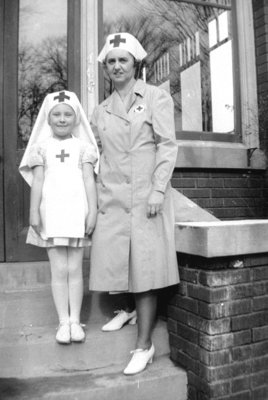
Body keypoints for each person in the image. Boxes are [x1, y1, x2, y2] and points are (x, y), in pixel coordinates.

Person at [89, 32, 180, 375]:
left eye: (122, 60)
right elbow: (98, 157)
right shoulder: (100, 111)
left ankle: (144, 344)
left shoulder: (155, 97)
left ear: (135, 63)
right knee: (114, 256)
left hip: (146, 195)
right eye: (110, 62)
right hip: (112, 196)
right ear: (105, 68)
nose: (116, 66)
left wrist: (158, 189)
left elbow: (167, 145)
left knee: (144, 267)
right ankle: (126, 310)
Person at [19, 90, 99, 344]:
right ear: (48, 117)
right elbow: (39, 181)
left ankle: (76, 320)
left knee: (74, 268)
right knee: (59, 269)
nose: (62, 119)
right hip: (51, 214)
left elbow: (89, 180)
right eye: (57, 115)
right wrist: (34, 212)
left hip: (76, 213)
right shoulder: (41, 148)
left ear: (76, 119)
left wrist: (93, 212)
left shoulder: (83, 148)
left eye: (67, 114)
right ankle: (63, 322)